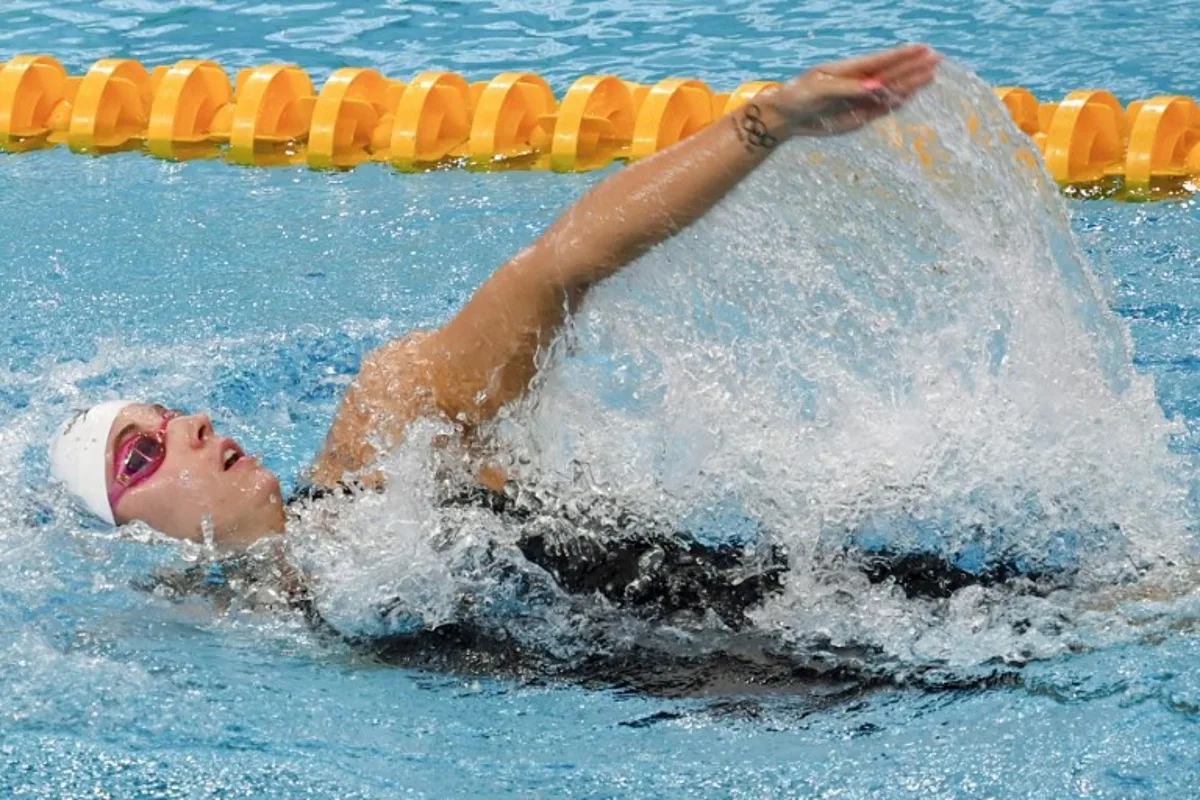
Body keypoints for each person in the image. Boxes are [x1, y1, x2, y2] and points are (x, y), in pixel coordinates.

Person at [47, 45, 945, 692]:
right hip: (749, 695)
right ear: (133, 540)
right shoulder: (232, 639)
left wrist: (765, 124)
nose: (192, 427)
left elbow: (556, 269)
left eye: (167, 416)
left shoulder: (385, 439)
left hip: (851, 618)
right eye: (143, 455)